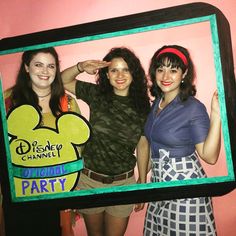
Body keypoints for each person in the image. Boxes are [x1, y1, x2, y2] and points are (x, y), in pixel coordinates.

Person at [61, 47, 150, 236]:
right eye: (114, 70)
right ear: (107, 74)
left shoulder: (142, 106)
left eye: (125, 69)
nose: (120, 75)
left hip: (123, 184)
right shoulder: (97, 95)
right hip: (89, 181)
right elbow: (62, 81)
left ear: (133, 73)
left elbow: (142, 144)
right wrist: (81, 66)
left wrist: (142, 181)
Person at [143, 45, 221, 236]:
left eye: (173, 70)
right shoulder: (157, 104)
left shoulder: (192, 107)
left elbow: (209, 156)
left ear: (184, 74)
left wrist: (217, 114)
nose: (165, 76)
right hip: (159, 184)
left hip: (185, 187)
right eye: (160, 69)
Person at [3, 47, 79, 236]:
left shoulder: (67, 104)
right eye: (38, 65)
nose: (45, 71)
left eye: (51, 66)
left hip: (57, 193)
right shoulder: (7, 101)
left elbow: (78, 148)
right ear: (27, 67)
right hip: (20, 193)